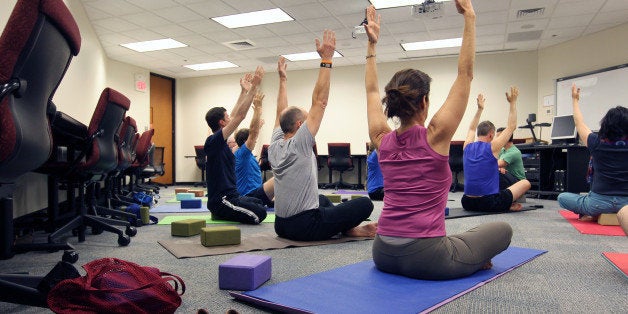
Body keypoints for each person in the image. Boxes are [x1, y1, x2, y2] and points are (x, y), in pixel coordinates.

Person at [365, 1, 512, 280]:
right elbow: (465, 75)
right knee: (502, 230)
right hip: (427, 258)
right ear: (424, 101)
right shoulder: (436, 135)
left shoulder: (381, 141)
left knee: (466, 235)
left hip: (382, 252)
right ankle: (471, 259)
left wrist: (371, 46)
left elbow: (372, 91)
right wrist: (469, 16)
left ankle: (466, 253)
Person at [269, 37, 377, 242]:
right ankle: (349, 229)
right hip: (304, 227)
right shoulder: (300, 144)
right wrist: (327, 59)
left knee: (322, 199)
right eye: (306, 117)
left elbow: (280, 111)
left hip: (281, 225)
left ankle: (345, 228)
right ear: (300, 126)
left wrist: (283, 80)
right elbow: (320, 101)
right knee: (365, 204)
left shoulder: (275, 144)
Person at [204, 67, 269, 224]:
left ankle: (226, 212)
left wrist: (243, 92)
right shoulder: (213, 142)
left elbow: (234, 115)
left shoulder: (221, 142)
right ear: (221, 122)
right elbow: (239, 116)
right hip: (222, 200)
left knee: (259, 203)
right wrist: (254, 87)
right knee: (259, 214)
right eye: (227, 117)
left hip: (234, 195)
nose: (229, 118)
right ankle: (220, 213)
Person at [557, 84, 628, 220]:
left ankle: (593, 215)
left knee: (562, 197)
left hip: (597, 204)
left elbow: (579, 123)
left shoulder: (596, 142)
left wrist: (575, 100)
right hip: (627, 205)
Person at [462, 90, 531, 212]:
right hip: (488, 203)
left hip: (467, 202)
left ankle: (507, 204)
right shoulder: (492, 147)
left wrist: (479, 109)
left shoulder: (466, 146)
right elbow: (511, 126)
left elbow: (471, 128)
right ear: (491, 135)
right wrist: (512, 103)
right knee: (525, 183)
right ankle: (507, 204)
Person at [234, 92, 275, 207]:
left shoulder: (244, 154)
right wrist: (257, 108)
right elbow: (252, 134)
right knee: (280, 178)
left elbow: (252, 134)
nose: (256, 140)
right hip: (249, 196)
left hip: (258, 194)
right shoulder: (242, 154)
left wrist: (259, 126)